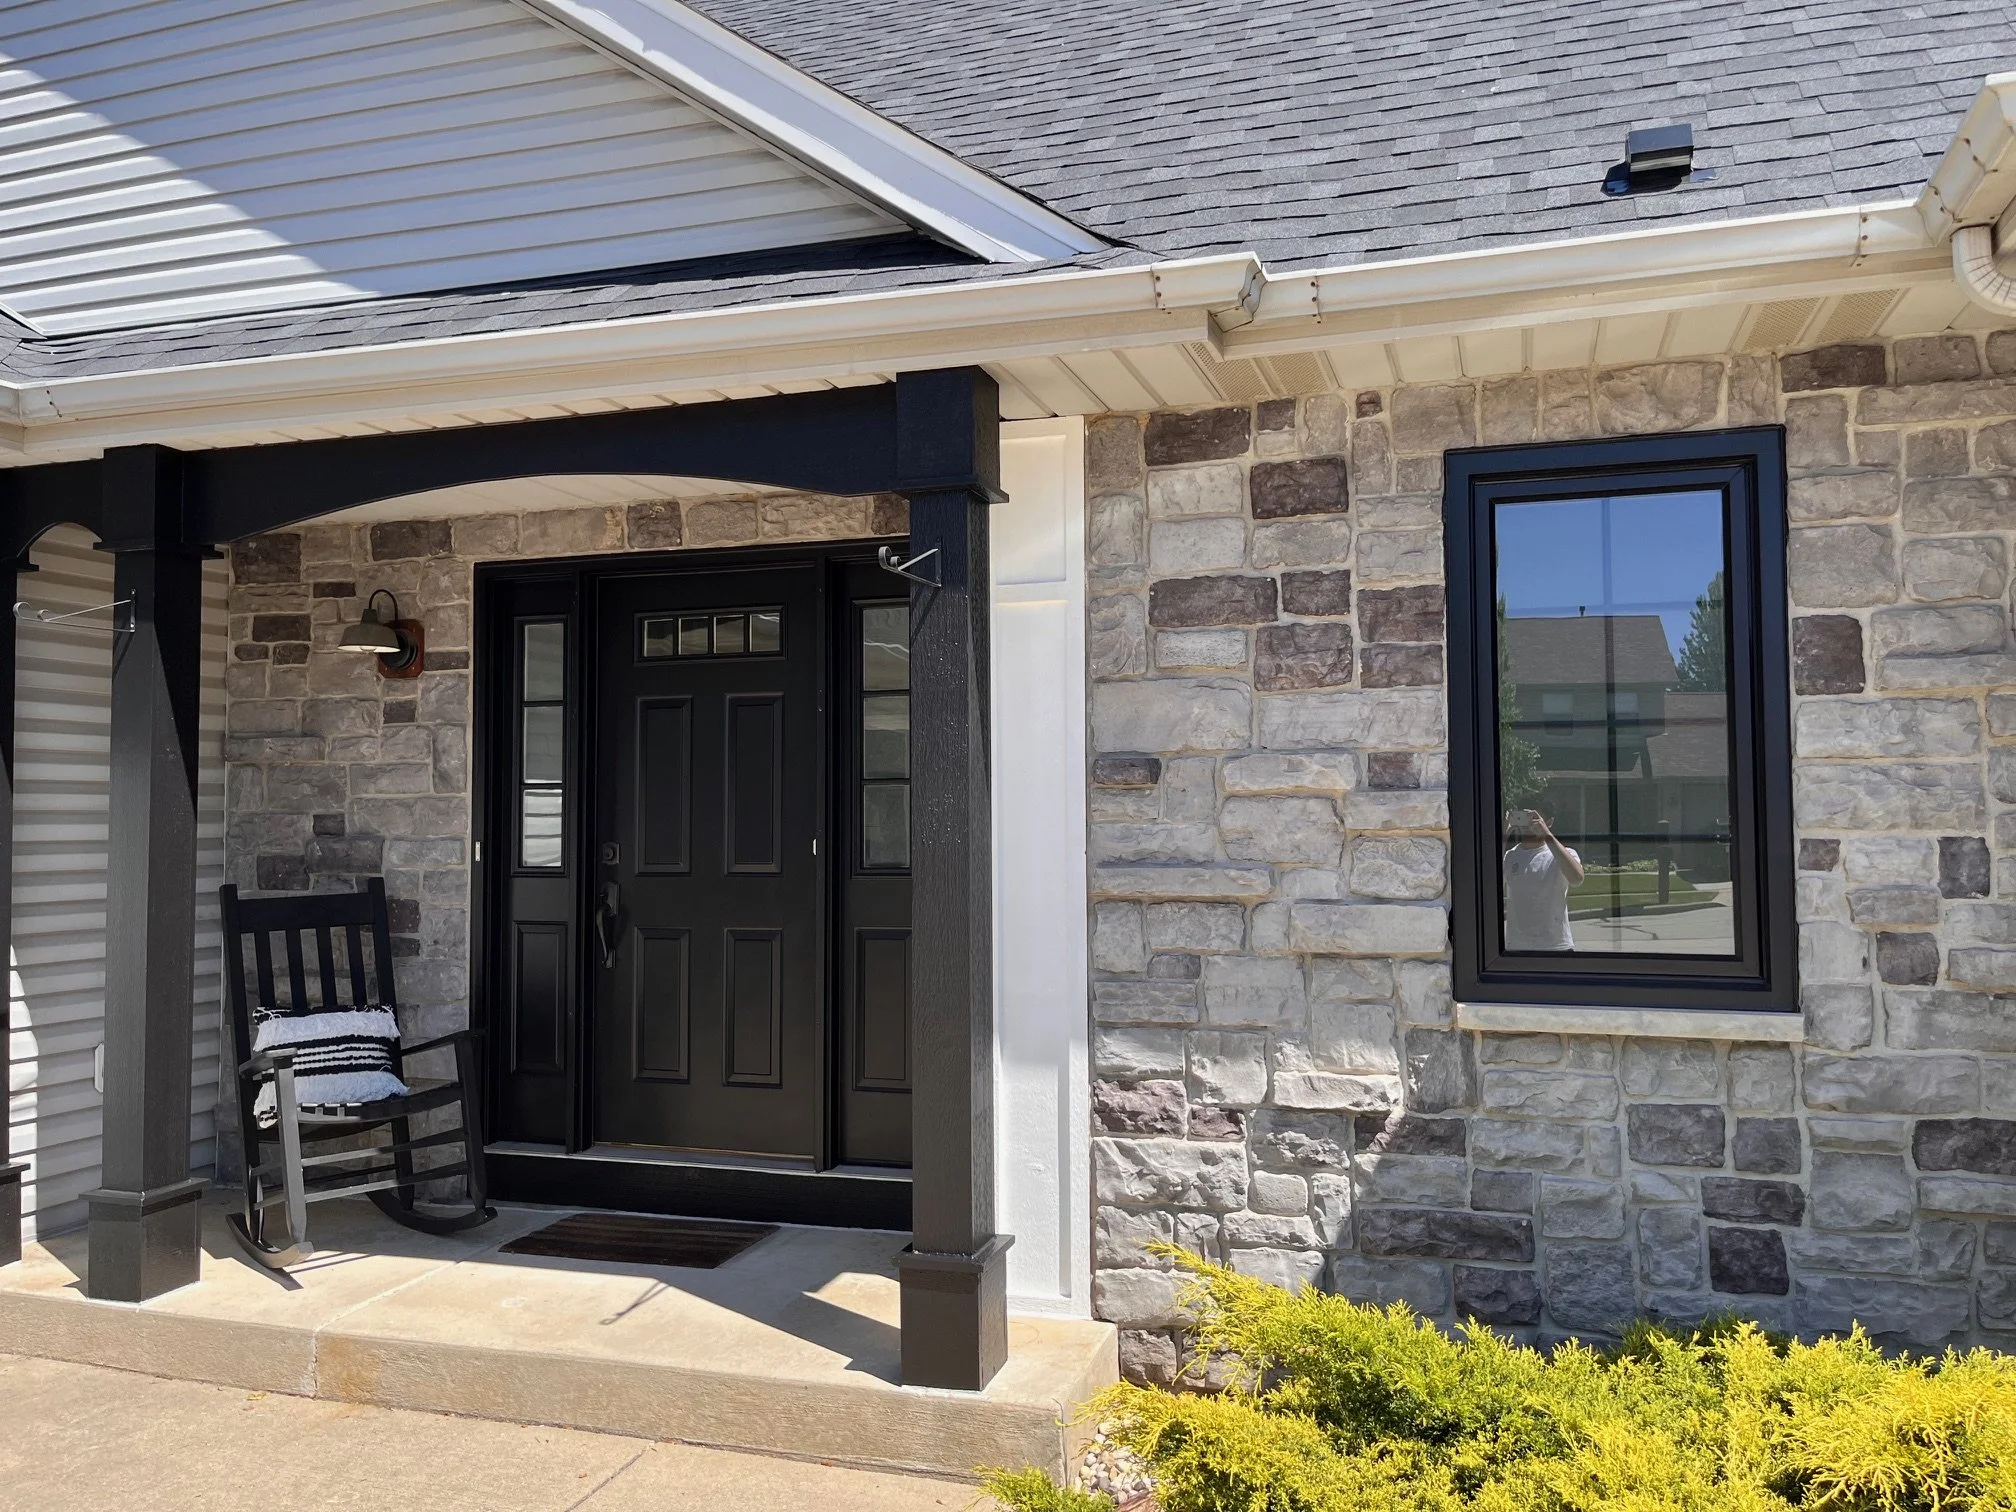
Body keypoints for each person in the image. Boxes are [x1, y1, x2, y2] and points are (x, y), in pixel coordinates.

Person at [1502, 806, 1584, 952]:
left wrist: (1547, 835)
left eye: (1533, 818)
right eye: (1523, 818)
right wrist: (1503, 835)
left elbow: (1577, 878)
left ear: (1549, 822)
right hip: (1517, 947)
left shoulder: (1563, 854)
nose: (1528, 825)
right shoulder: (1510, 856)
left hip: (1557, 947)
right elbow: (1486, 884)